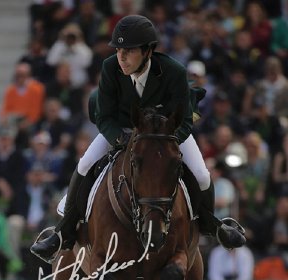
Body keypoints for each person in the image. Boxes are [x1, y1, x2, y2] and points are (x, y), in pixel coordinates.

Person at [31, 14, 246, 262]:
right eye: (119, 50)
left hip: (165, 134)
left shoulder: (174, 71)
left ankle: (211, 224)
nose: (121, 57)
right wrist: (119, 139)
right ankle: (63, 232)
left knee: (201, 174)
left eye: (129, 51)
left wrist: (168, 140)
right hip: (122, 131)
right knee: (85, 164)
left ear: (147, 51)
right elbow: (104, 118)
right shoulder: (110, 67)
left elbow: (186, 120)